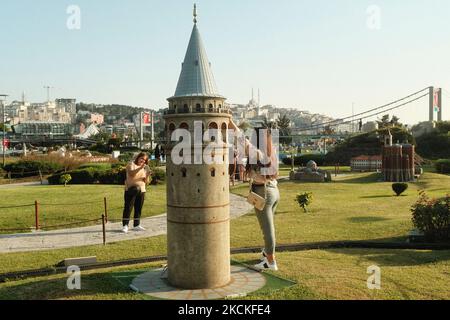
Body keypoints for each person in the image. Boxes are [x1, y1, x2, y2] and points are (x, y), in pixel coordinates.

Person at [229, 119, 280, 271]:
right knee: (269, 227)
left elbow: (240, 137)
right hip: (274, 191)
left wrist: (230, 121)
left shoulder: (257, 153)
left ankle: (270, 262)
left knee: (267, 230)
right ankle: (266, 253)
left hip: (263, 192)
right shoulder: (272, 151)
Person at [122, 152, 152, 233]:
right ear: (138, 157)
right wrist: (140, 168)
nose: (143, 161)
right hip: (131, 190)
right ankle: (125, 225)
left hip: (141, 190)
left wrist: (147, 175)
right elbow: (131, 173)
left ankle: (136, 225)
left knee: (138, 208)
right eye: (142, 158)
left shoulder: (145, 168)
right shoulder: (131, 164)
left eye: (145, 160)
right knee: (128, 208)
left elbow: (146, 182)